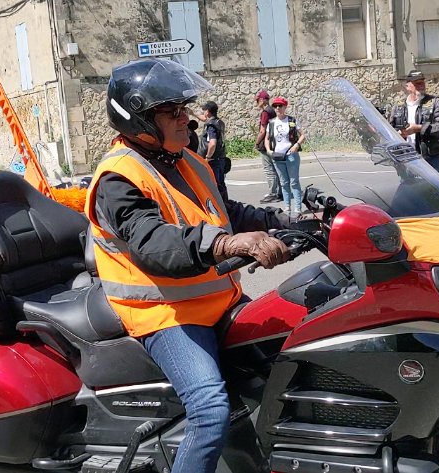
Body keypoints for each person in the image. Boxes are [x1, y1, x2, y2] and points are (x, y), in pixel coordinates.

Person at [85, 58, 291, 473]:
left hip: (218, 300)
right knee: (210, 409)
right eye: (172, 112)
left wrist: (289, 221)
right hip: (165, 313)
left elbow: (226, 211)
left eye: (184, 108)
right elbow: (153, 242)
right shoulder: (117, 178)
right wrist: (226, 244)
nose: (186, 119)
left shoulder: (184, 160)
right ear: (139, 120)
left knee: (287, 361)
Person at [387, 70, 439, 173]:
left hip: (429, 158)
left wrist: (419, 128)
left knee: (431, 183)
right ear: (407, 86)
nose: (421, 86)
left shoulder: (435, 103)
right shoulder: (398, 106)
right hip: (405, 159)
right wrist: (399, 134)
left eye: (422, 82)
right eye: (417, 83)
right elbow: (390, 129)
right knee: (408, 183)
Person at [264, 96, 305, 216]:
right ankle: (287, 207)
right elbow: (267, 138)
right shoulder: (271, 123)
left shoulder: (291, 120)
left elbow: (303, 135)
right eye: (275, 106)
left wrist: (296, 145)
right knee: (284, 183)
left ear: (285, 107)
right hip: (277, 156)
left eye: (280, 106)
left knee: (294, 182)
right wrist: (268, 150)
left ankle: (298, 208)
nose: (277, 108)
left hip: (291, 156)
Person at [198, 101, 229, 201]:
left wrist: (207, 157)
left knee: (215, 186)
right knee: (221, 184)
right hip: (221, 157)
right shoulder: (219, 122)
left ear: (207, 112)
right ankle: (225, 204)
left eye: (204, 110)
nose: (203, 112)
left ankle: (220, 205)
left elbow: (212, 143)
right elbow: (204, 119)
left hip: (213, 160)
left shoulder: (211, 126)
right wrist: (193, 113)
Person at [254, 90, 280, 203]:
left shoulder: (265, 112)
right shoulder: (272, 111)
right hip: (274, 143)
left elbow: (262, 131)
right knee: (275, 168)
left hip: (266, 144)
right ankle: (279, 192)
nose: (256, 103)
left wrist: (256, 143)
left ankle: (273, 194)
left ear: (262, 100)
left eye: (257, 100)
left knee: (269, 169)